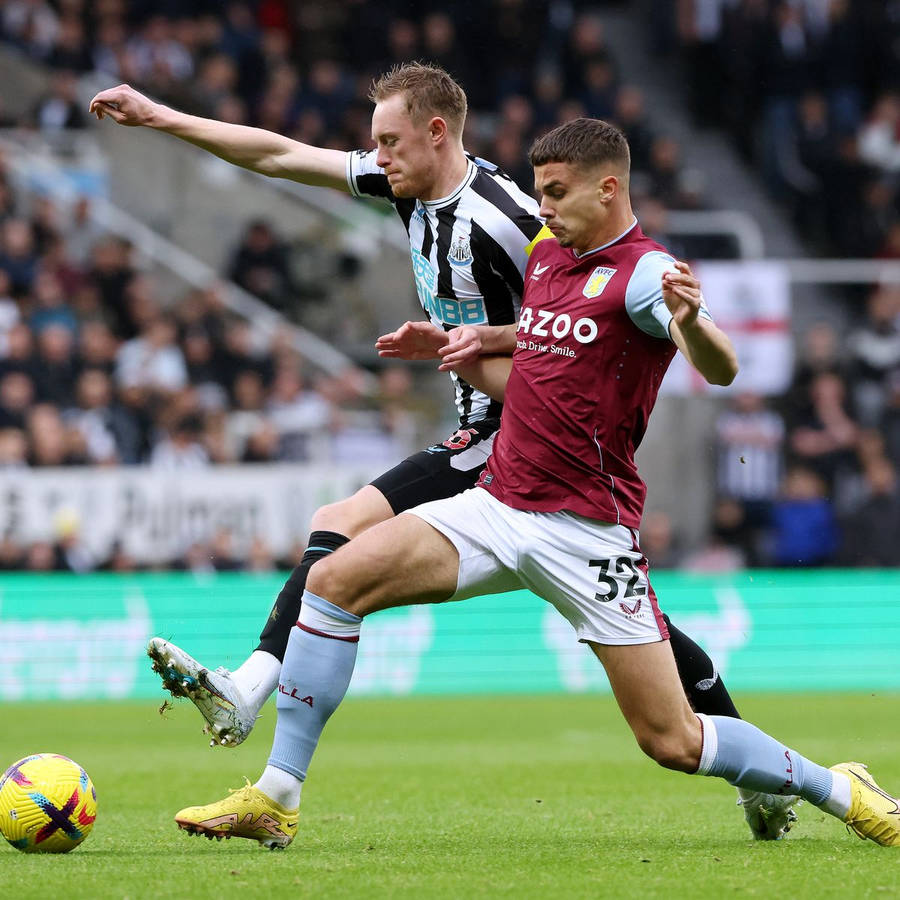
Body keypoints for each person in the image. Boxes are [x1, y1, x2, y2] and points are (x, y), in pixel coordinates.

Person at [92, 70, 794, 839]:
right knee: (635, 622)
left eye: (389, 139)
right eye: (373, 141)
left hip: (523, 435)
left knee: (343, 525)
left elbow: (582, 323)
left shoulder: (515, 217)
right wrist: (160, 116)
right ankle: (761, 778)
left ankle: (252, 690)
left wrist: (483, 345)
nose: (375, 153)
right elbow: (280, 156)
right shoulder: (406, 189)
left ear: (436, 134)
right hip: (474, 429)